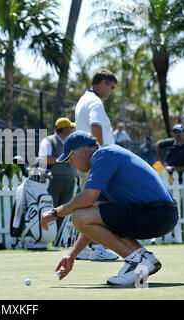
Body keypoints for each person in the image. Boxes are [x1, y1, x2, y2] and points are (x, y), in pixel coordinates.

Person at [41, 130, 179, 285]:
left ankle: (137, 263)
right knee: (85, 216)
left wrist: (55, 213)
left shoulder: (103, 155)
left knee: (78, 216)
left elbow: (85, 202)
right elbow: (92, 222)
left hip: (157, 213)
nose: (71, 163)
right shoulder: (106, 159)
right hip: (162, 214)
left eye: (70, 157)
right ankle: (145, 258)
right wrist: (72, 255)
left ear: (81, 150)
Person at [73, 68, 118, 261]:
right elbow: (96, 127)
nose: (111, 92)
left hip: (87, 159)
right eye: (112, 87)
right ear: (103, 83)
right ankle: (97, 246)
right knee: (101, 205)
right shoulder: (95, 102)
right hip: (97, 161)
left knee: (89, 204)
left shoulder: (83, 100)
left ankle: (85, 248)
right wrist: (101, 155)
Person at [38, 117, 76, 230]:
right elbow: (45, 159)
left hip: (70, 180)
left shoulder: (70, 142)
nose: (72, 129)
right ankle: (49, 234)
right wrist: (65, 159)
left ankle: (60, 239)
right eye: (70, 127)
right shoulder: (49, 141)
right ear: (64, 129)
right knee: (51, 209)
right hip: (54, 180)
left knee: (66, 210)